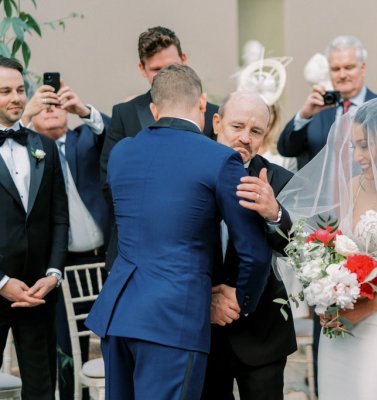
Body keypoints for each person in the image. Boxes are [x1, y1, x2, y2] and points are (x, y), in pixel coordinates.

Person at [85, 65, 272, 399]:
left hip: (117, 314)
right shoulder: (219, 159)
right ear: (202, 105)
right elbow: (253, 250)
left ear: (154, 109)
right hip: (173, 318)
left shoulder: (122, 153)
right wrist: (238, 299)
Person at [278, 96, 377, 399]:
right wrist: (327, 286)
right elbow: (345, 251)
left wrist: (370, 306)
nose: (358, 156)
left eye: (366, 145)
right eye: (354, 147)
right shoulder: (353, 186)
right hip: (345, 322)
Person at [202, 91, 297, 400]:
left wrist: (276, 213)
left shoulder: (279, 179)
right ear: (217, 123)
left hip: (262, 333)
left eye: (255, 131)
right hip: (203, 329)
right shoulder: (192, 171)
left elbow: (296, 249)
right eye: (237, 126)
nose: (245, 137)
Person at [99, 26, 219, 269]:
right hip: (135, 252)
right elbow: (108, 183)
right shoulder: (125, 113)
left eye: (172, 66)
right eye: (156, 70)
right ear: (142, 69)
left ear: (184, 60)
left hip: (198, 248)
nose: (166, 75)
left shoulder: (213, 114)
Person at [25, 82, 110, 400]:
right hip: (59, 264)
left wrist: (84, 110)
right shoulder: (26, 149)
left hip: (104, 260)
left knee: (111, 335)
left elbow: (111, 134)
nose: (50, 108)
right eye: (42, 102)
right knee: (66, 343)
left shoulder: (83, 139)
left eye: (56, 102)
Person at [0, 56, 69, 399]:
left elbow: (59, 216)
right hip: (0, 283)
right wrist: (2, 281)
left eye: (19, 89)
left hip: (38, 291)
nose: (15, 97)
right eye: (4, 91)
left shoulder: (46, 146)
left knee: (42, 387)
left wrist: (54, 273)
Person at [277, 35, 377, 169]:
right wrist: (304, 116)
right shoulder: (317, 109)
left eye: (349, 67)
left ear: (363, 68)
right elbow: (286, 149)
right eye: (336, 69)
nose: (342, 75)